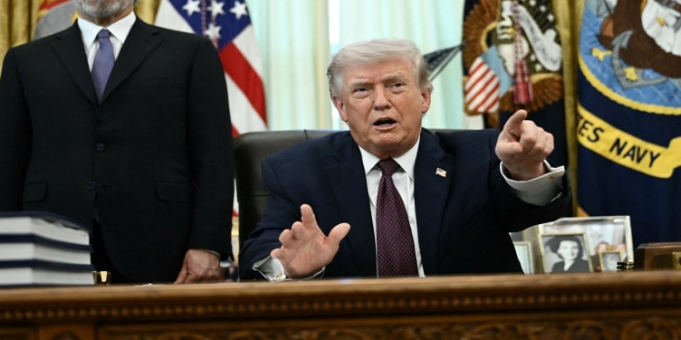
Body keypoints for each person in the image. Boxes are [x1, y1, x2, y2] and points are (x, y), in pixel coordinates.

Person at [0, 0, 235, 284]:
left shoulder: (190, 53)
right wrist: (3, 244)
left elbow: (215, 159)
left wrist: (207, 244)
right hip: (50, 242)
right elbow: (6, 164)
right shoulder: (25, 61)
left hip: (162, 244)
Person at [239, 38, 571, 280]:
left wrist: (526, 170)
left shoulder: (479, 155)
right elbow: (260, 253)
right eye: (362, 90)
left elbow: (536, 212)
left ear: (424, 97)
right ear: (341, 107)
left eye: (396, 85)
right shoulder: (296, 170)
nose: (381, 102)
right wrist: (289, 269)